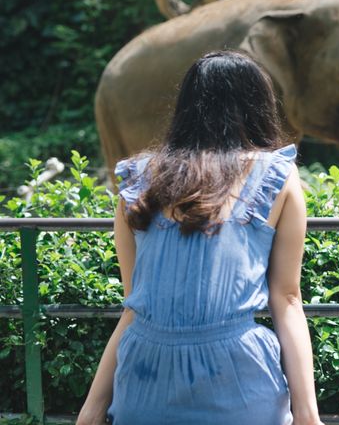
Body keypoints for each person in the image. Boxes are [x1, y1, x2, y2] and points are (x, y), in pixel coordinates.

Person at [76, 50, 324, 425]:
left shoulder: (138, 180)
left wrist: (91, 411)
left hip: (144, 379)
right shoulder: (277, 174)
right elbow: (287, 299)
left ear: (187, 107)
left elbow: (135, 306)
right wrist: (307, 415)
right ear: (258, 106)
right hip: (239, 381)